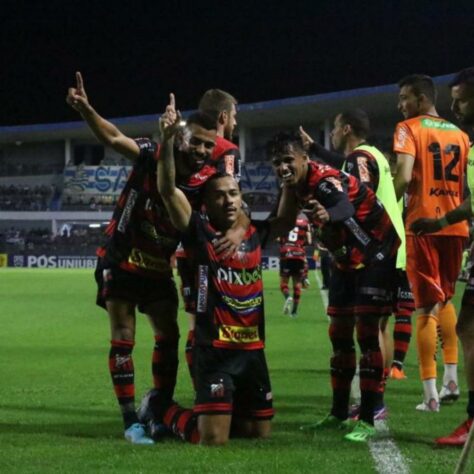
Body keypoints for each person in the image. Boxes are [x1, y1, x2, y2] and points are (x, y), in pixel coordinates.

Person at [66, 72, 234, 444]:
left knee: (169, 336)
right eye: (198, 143)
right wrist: (86, 109)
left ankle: (158, 407)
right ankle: (130, 421)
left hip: (158, 266)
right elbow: (112, 137)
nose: (204, 151)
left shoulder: (207, 180)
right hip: (122, 258)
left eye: (210, 145)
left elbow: (228, 204)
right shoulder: (154, 153)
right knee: (124, 337)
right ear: (182, 137)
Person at [156, 111, 297, 445]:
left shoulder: (252, 234)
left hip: (252, 350)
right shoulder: (198, 232)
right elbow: (167, 190)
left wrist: (290, 181)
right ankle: (160, 408)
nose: (229, 200)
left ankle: (216, 412)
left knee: (255, 433)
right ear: (206, 202)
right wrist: (165, 140)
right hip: (215, 351)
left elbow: (285, 221)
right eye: (220, 195)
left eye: (234, 193)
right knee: (214, 440)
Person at [269, 131, 400, 443]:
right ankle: (338, 413)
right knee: (338, 336)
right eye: (277, 163)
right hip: (344, 257)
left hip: (376, 252)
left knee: (367, 335)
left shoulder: (324, 178)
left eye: (289, 160)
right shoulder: (295, 184)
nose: (283, 167)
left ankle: (368, 418)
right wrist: (287, 187)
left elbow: (344, 207)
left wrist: (328, 213)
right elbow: (285, 222)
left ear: (305, 158)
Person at [301, 110, 407, 417]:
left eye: (334, 128)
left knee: (370, 331)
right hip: (387, 246)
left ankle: (376, 403)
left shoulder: (359, 158)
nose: (332, 134)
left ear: (346, 129)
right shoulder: (375, 154)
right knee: (377, 329)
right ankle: (373, 401)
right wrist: (316, 151)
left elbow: (358, 198)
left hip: (374, 251)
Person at [393, 74, 470, 412]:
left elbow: (404, 176)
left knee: (424, 309)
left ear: (421, 99)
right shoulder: (462, 135)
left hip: (422, 226)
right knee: (447, 300)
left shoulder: (408, 128)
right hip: (456, 228)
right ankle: (451, 378)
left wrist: (382, 210)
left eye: (405, 98)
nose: (400, 106)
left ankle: (430, 395)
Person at [410, 67, 474, 444]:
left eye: (462, 98)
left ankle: (470, 419)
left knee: (467, 326)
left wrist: (440, 221)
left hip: (444, 230)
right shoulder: (465, 140)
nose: (455, 105)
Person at [177, 88, 241, 387]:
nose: (236, 123)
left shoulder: (182, 147)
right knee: (220, 324)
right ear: (223, 116)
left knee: (194, 323)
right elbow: (229, 197)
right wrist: (239, 230)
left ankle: (200, 391)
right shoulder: (226, 149)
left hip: (183, 247)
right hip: (213, 248)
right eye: (235, 116)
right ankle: (216, 393)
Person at [278, 213, 312, 317]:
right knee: (297, 284)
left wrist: (284, 243)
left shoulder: (284, 222)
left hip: (286, 253)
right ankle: (294, 312)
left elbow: (278, 239)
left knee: (284, 283)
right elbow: (309, 241)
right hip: (299, 253)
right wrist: (301, 245)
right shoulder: (306, 223)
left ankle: (288, 296)